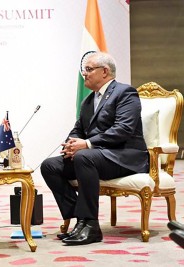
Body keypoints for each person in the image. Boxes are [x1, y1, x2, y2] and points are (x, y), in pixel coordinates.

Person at [40, 52, 149, 246]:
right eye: (84, 70)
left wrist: (87, 144)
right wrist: (70, 145)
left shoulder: (125, 93)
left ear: (105, 71)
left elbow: (123, 129)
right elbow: (78, 130)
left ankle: (91, 226)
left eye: (89, 69)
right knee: (50, 166)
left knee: (84, 157)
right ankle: (80, 220)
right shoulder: (88, 101)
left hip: (124, 157)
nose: (85, 74)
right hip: (97, 156)